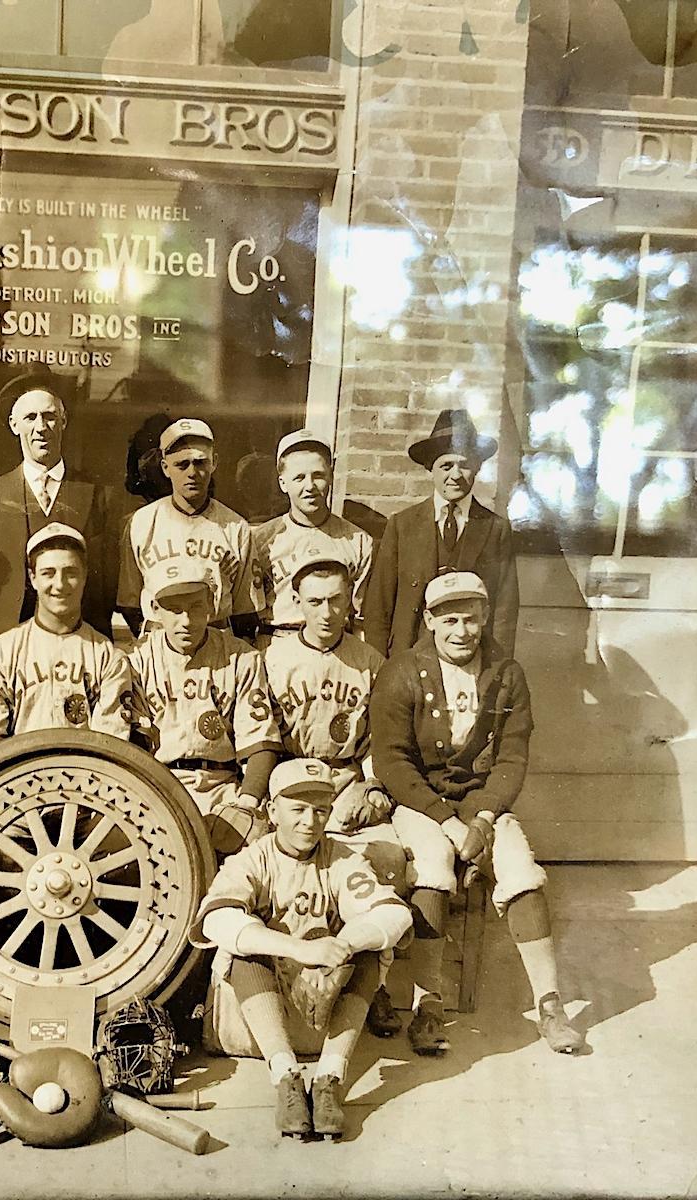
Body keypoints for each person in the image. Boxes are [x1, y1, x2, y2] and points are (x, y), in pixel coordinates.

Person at [370, 571, 585, 1054]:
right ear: (429, 621)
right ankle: (427, 1006)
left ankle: (550, 1004)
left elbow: (512, 757)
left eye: (470, 619)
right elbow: (391, 761)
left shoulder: (506, 674)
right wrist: (447, 822)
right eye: (449, 620)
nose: (461, 631)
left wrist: (484, 819)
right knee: (432, 866)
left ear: (485, 617)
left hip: (482, 805)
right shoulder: (401, 671)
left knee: (521, 870)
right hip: (422, 803)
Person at [264, 554, 462, 1054]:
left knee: (387, 862)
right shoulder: (273, 658)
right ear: (297, 603)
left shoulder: (371, 661)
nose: (326, 612)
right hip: (293, 781)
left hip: (348, 783)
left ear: (350, 601)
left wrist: (372, 786)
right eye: (314, 602)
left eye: (336, 600)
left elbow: (384, 742)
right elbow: (265, 741)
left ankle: (372, 984)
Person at [191, 759, 415, 1140]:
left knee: (369, 948)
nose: (310, 822)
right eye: (297, 809)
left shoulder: (340, 857)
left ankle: (329, 1079)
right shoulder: (253, 858)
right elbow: (215, 920)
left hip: (323, 1018)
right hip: (255, 1026)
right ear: (272, 810)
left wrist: (343, 945)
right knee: (241, 948)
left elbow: (395, 914)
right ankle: (286, 1079)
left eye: (320, 810)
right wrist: (302, 951)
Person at [127, 560, 280, 858]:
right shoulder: (138, 661)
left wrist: (247, 803)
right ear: (155, 609)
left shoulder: (241, 658)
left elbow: (260, 743)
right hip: (160, 787)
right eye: (174, 610)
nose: (186, 620)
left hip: (223, 789)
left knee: (257, 846)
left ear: (212, 603)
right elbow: (134, 746)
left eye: (196, 607)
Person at [0, 523, 134, 754]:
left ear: (85, 576)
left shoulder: (109, 659)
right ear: (32, 578)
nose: (60, 585)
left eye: (70, 573)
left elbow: (110, 751)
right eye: (48, 573)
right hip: (17, 774)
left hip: (87, 774)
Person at [366, 409, 519, 658]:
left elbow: (505, 611)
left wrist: (498, 666)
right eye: (446, 466)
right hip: (410, 656)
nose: (455, 475)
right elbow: (378, 607)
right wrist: (381, 666)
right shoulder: (402, 526)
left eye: (464, 465)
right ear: (431, 468)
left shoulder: (495, 529)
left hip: (471, 656)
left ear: (477, 468)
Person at [0, 372, 110, 643]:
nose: (41, 427)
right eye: (30, 418)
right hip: (6, 641)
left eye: (49, 417)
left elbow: (103, 584)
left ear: (63, 421)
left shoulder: (94, 493)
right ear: (14, 425)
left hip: (76, 641)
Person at [117, 418, 260, 640]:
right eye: (182, 465)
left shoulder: (235, 526)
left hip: (216, 639)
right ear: (165, 468)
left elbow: (245, 611)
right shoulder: (142, 522)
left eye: (200, 462)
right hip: (159, 639)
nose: (192, 472)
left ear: (214, 463)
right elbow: (129, 603)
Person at [250, 430, 372, 644]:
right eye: (299, 478)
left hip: (336, 645)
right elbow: (248, 613)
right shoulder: (262, 540)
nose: (310, 487)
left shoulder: (358, 541)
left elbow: (361, 618)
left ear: (331, 476)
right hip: (278, 641)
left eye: (318, 475)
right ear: (283, 483)